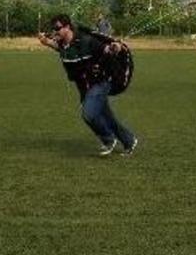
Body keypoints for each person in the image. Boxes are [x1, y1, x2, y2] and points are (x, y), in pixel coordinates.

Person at [38, 14, 137, 156]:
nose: (55, 32)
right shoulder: (63, 45)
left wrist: (117, 47)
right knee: (106, 117)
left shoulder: (87, 41)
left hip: (99, 82)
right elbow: (58, 48)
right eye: (53, 29)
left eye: (57, 28)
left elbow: (107, 49)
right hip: (84, 87)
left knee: (89, 114)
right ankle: (129, 141)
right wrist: (45, 41)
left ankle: (108, 139)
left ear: (67, 27)